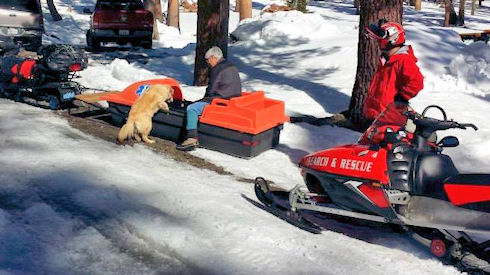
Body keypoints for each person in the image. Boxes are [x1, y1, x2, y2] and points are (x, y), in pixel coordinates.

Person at [177, 46, 242, 151]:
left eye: (208, 60)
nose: (208, 63)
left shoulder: (217, 69)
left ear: (213, 57)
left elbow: (211, 90)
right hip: (232, 100)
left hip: (221, 101)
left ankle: (191, 138)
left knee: (192, 109)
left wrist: (201, 100)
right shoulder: (231, 66)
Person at [363, 19, 424, 125]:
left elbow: (416, 81)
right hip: (375, 114)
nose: (377, 42)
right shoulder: (386, 59)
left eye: (380, 39)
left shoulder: (403, 60)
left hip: (389, 116)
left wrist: (402, 98)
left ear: (392, 38)